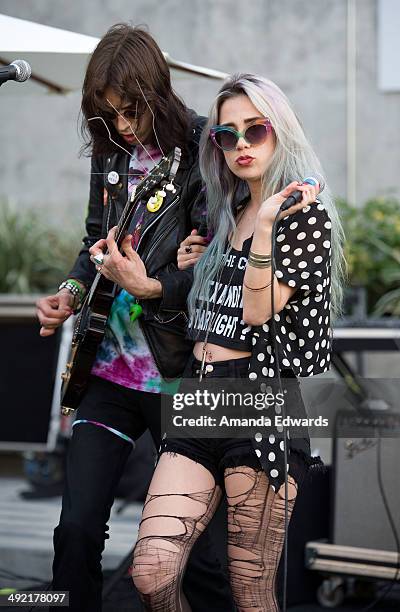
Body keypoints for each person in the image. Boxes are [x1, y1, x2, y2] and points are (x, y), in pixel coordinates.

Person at [36, 23, 235, 612]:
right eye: (108, 116)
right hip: (108, 373)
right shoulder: (110, 150)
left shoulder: (205, 143)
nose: (122, 127)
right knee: (74, 535)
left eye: (131, 112)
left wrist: (154, 286)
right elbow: (96, 240)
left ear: (158, 91)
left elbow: (225, 263)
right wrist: (71, 291)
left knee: (195, 554)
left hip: (181, 375)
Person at [132, 73, 345, 611]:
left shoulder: (302, 215)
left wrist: (269, 219)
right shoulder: (222, 213)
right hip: (199, 398)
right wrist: (190, 271)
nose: (242, 145)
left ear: (282, 132)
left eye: (257, 130)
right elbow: (207, 315)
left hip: (260, 401)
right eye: (227, 135)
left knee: (251, 590)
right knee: (151, 571)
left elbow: (256, 310)